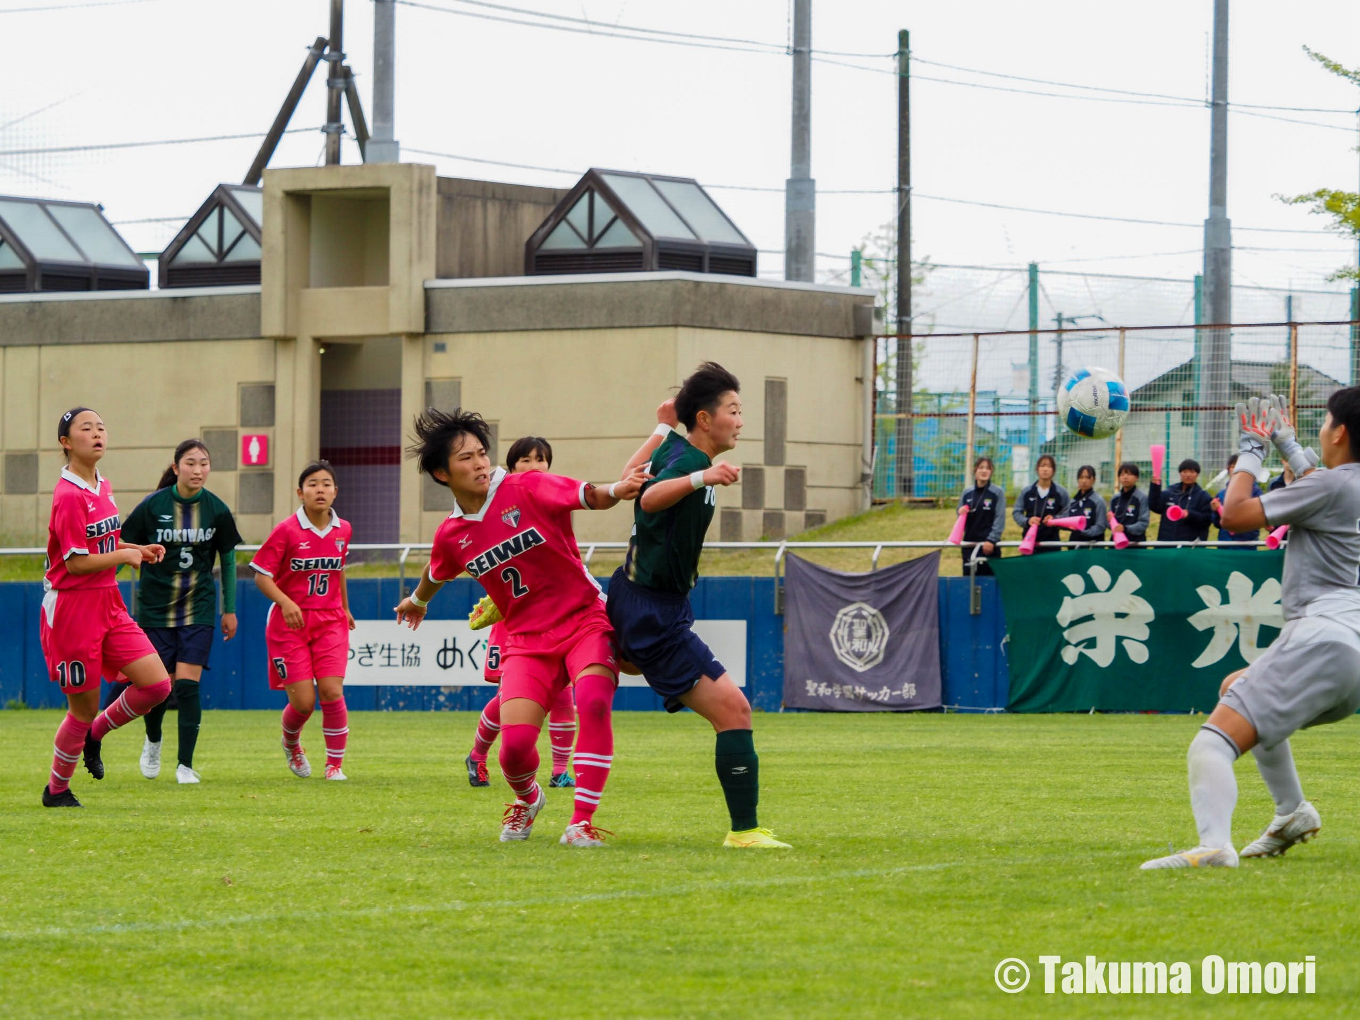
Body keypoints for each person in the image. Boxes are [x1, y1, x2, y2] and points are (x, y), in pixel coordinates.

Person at [395, 409, 649, 847]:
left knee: (591, 702)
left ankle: (581, 822)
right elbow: (437, 571)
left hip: (584, 618)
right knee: (513, 749)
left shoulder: (527, 485)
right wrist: (417, 602)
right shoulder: (452, 533)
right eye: (464, 458)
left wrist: (619, 490)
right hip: (527, 640)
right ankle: (527, 800)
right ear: (441, 473)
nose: (478, 463)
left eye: (481, 453)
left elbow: (591, 495)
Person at [1142, 392, 1352, 870]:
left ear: (1339, 433)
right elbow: (1320, 486)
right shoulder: (1345, 485)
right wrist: (1288, 445)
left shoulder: (1333, 486)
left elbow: (1234, 515)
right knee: (1237, 689)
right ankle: (1291, 812)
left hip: (1320, 637)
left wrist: (1252, 449)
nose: (1321, 428)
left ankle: (1215, 845)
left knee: (1211, 743)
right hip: (1350, 653)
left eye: (1325, 421)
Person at [608, 365, 792, 850]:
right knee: (735, 710)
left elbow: (629, 475)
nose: (741, 421)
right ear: (706, 419)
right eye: (734, 411)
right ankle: (745, 832)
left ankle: (552, 614)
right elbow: (646, 497)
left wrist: (662, 426)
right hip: (652, 612)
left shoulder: (679, 449)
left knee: (608, 667)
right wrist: (701, 474)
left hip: (644, 600)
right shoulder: (692, 462)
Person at [39, 408, 172, 807]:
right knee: (82, 707)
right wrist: (122, 558)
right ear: (66, 442)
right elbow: (76, 563)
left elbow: (101, 547)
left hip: (107, 602)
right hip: (73, 609)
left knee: (156, 684)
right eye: (86, 428)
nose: (97, 433)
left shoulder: (101, 485)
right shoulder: (67, 495)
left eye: (101, 427)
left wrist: (135, 549)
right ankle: (56, 791)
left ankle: (94, 735)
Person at [112, 439, 242, 784]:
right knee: (158, 686)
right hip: (155, 609)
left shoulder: (216, 509)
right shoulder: (153, 506)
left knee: (187, 686)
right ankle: (153, 740)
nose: (198, 470)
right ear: (176, 468)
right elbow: (121, 548)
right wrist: (104, 586)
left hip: (198, 606)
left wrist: (229, 609)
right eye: (190, 463)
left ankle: (185, 764)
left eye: (204, 463)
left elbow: (228, 561)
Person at [465, 435, 578, 790]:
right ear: (510, 469)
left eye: (541, 459)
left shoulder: (554, 499)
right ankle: (477, 756)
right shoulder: (492, 506)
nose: (534, 466)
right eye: (524, 460)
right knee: (508, 699)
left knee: (562, 696)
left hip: (556, 616)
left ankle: (560, 770)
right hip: (516, 621)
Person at [250, 461, 356, 781]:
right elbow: (261, 576)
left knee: (331, 691)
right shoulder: (286, 530)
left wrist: (346, 609)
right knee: (305, 703)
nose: (320, 489)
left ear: (335, 492)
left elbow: (337, 572)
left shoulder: (344, 529)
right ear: (300, 493)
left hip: (330, 619)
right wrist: (285, 602)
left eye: (326, 484)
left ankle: (334, 765)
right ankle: (291, 742)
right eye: (312, 484)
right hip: (289, 623)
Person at [956, 456, 1005, 575]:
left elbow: (1000, 518)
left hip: (989, 547)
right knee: (970, 584)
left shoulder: (997, 492)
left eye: (988, 468)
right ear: (975, 470)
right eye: (981, 467)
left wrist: (991, 540)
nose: (984, 471)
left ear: (991, 471)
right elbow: (959, 516)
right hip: (969, 546)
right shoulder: (967, 493)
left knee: (990, 585)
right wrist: (960, 512)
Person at [1012, 454, 1069, 553]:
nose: (1045, 469)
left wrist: (1055, 520)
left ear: (1054, 470)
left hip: (1052, 544)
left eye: (1049, 466)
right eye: (1042, 466)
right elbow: (1017, 512)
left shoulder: (1061, 493)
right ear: (1037, 469)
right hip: (1029, 543)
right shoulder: (1027, 491)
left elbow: (1068, 514)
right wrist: (1027, 520)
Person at [1148, 457, 1213, 544]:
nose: (1188, 475)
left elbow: (1207, 519)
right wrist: (1155, 487)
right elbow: (1155, 506)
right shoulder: (1170, 491)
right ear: (1180, 474)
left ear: (1197, 474)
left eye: (1192, 472)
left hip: (1191, 546)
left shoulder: (1203, 496)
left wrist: (1189, 515)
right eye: (1185, 472)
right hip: (1166, 543)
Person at [1210, 454, 1262, 543]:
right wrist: (1215, 510)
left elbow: (1258, 520)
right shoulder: (1221, 494)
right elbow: (1217, 524)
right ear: (1228, 469)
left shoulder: (1256, 492)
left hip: (1247, 544)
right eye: (1233, 466)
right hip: (1225, 544)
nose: (1236, 469)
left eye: (1240, 466)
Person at [1060, 465, 1107, 545]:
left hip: (1092, 547)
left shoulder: (1098, 501)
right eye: (1081, 477)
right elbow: (1065, 519)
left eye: (1088, 478)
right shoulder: (1073, 502)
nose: (1084, 481)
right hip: (1075, 546)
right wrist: (1052, 520)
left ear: (1094, 480)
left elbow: (1100, 527)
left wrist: (1082, 532)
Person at [1108, 462, 1150, 547]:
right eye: (1122, 474)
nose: (1125, 477)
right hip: (1116, 544)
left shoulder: (1141, 498)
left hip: (1135, 544)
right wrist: (1109, 522)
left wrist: (1125, 528)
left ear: (1136, 477)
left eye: (1129, 474)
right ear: (1119, 478)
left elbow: (1143, 523)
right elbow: (1109, 523)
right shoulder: (1115, 498)